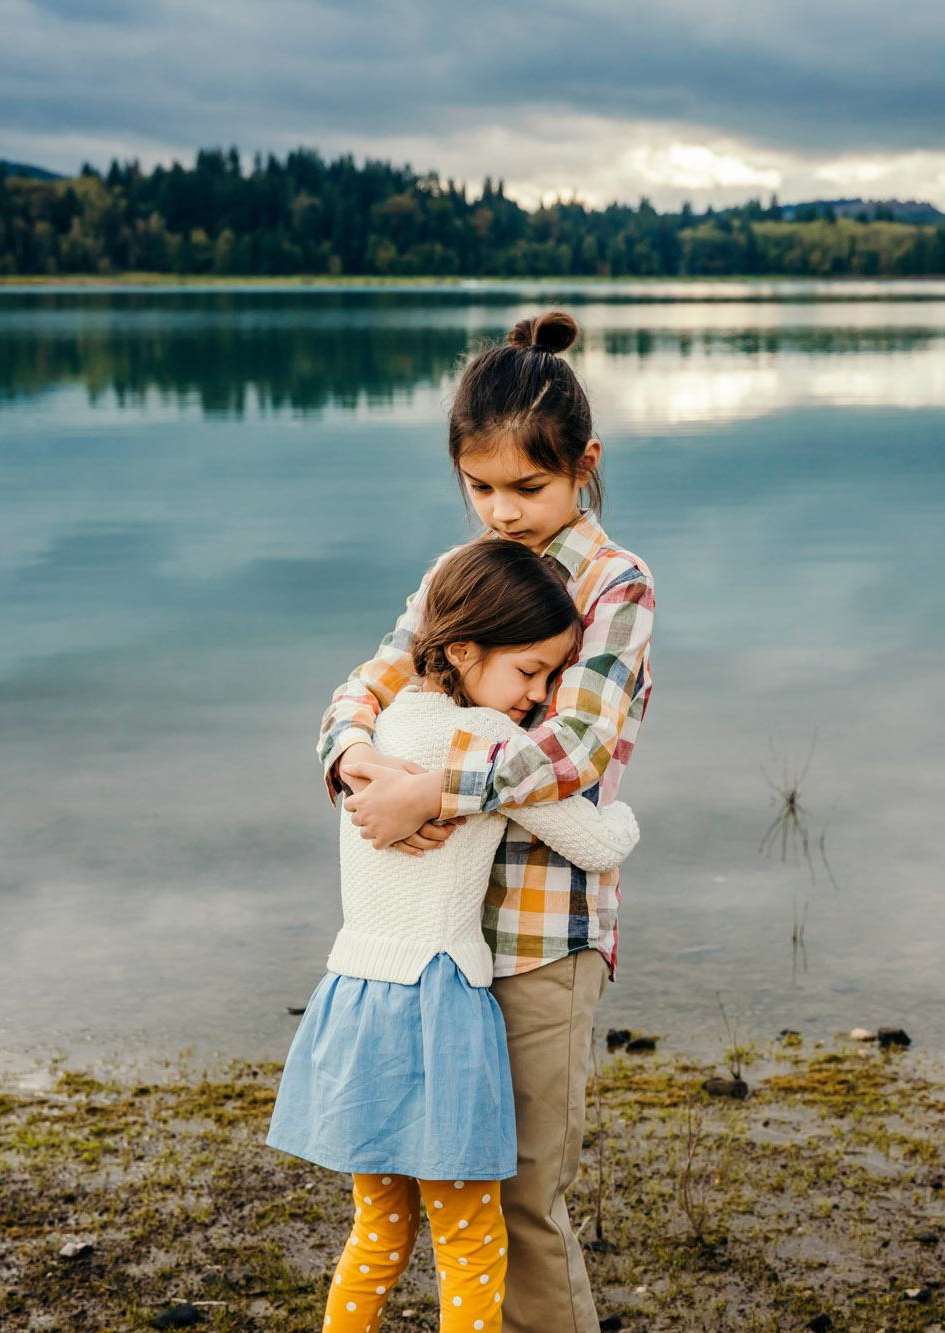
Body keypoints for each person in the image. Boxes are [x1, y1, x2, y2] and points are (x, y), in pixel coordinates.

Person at [321, 310, 656, 1333]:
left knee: (521, 1195)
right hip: (434, 949)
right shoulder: (451, 577)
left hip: (542, 935)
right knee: (439, 1182)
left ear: (583, 464)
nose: (501, 512)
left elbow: (575, 750)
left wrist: (436, 790)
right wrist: (351, 760)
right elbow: (369, 684)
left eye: (528, 487)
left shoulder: (614, 587)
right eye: (480, 488)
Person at [270, 538, 641, 1333]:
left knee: (378, 1230)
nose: (539, 695)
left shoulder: (381, 729)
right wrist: (625, 813)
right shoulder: (486, 742)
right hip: (437, 1011)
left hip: (355, 1002)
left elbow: (346, 710)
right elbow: (598, 844)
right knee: (472, 1240)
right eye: (529, 671)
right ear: (465, 651)